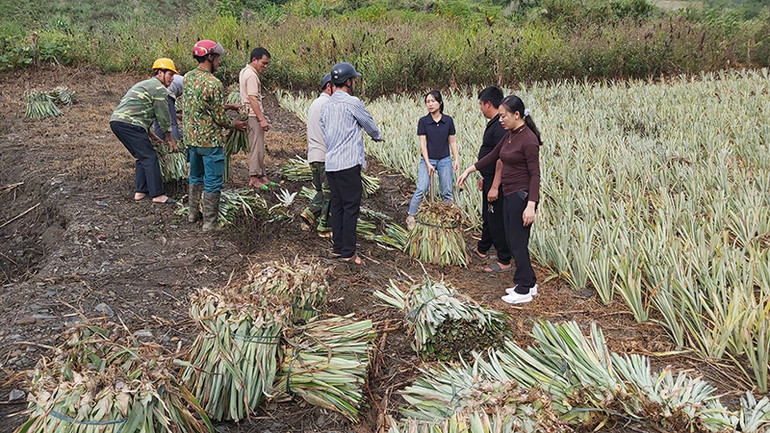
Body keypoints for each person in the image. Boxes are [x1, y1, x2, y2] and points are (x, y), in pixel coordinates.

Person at [457, 95, 542, 304]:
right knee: (513, 239)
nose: (501, 120)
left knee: (517, 242)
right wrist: (469, 169)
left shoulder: (528, 139)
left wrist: (531, 205)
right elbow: (494, 155)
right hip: (510, 193)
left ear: (517, 114)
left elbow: (535, 175)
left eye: (504, 116)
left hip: (521, 196)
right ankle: (530, 283)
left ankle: (523, 288)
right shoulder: (511, 134)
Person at [320, 62, 385, 265]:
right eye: (353, 79)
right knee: (350, 208)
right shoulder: (352, 102)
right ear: (348, 81)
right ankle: (349, 252)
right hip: (348, 163)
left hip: (331, 164)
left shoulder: (326, 105)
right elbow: (369, 125)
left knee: (337, 206)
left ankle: (338, 248)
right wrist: (378, 137)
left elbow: (324, 130)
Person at [182, 40, 247, 232]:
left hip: (192, 139)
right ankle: (209, 223)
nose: (218, 62)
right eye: (217, 58)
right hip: (209, 141)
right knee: (212, 180)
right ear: (210, 57)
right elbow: (219, 117)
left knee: (195, 175)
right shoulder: (214, 83)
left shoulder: (187, 78)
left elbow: (200, 105)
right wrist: (235, 124)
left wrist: (228, 106)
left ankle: (193, 214)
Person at [109, 57, 179, 204]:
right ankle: (157, 195)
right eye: (170, 74)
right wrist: (170, 139)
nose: (172, 78)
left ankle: (140, 192)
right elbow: (163, 116)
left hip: (118, 122)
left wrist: (153, 137)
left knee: (142, 155)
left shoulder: (146, 84)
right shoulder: (159, 89)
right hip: (129, 124)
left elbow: (140, 112)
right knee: (149, 157)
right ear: (160, 73)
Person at [471, 86, 513, 274]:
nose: (480, 108)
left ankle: (504, 259)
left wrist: (495, 185)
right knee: (488, 216)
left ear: (488, 104)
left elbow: (501, 159)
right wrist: (484, 176)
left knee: (496, 219)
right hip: (489, 178)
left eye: (481, 104)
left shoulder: (500, 126)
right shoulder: (494, 123)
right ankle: (483, 248)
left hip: (498, 181)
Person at [405, 90, 460, 230]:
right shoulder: (423, 122)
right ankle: (411, 216)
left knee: (447, 191)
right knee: (421, 188)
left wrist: (456, 159)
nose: (430, 104)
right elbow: (423, 144)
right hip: (427, 160)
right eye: (427, 102)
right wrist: (428, 163)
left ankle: (448, 220)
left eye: (433, 101)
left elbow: (452, 142)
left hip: (445, 160)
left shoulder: (448, 121)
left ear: (440, 103)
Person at [300, 73, 333, 235]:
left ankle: (309, 213)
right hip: (325, 156)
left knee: (322, 191)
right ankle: (325, 228)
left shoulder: (315, 104)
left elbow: (308, 131)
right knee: (332, 193)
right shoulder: (328, 105)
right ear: (329, 86)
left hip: (313, 155)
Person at [238, 47, 274, 190]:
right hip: (253, 115)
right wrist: (261, 119)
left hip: (250, 114)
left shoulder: (245, 71)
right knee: (256, 147)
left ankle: (262, 175)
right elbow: (252, 98)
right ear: (254, 60)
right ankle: (254, 177)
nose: (265, 67)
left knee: (259, 146)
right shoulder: (252, 75)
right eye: (263, 63)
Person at [153, 73, 184, 141]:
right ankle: (176, 144)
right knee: (172, 123)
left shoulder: (177, 79)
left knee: (158, 122)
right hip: (166, 94)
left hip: (156, 94)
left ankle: (160, 145)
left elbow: (166, 112)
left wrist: (175, 114)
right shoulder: (186, 81)